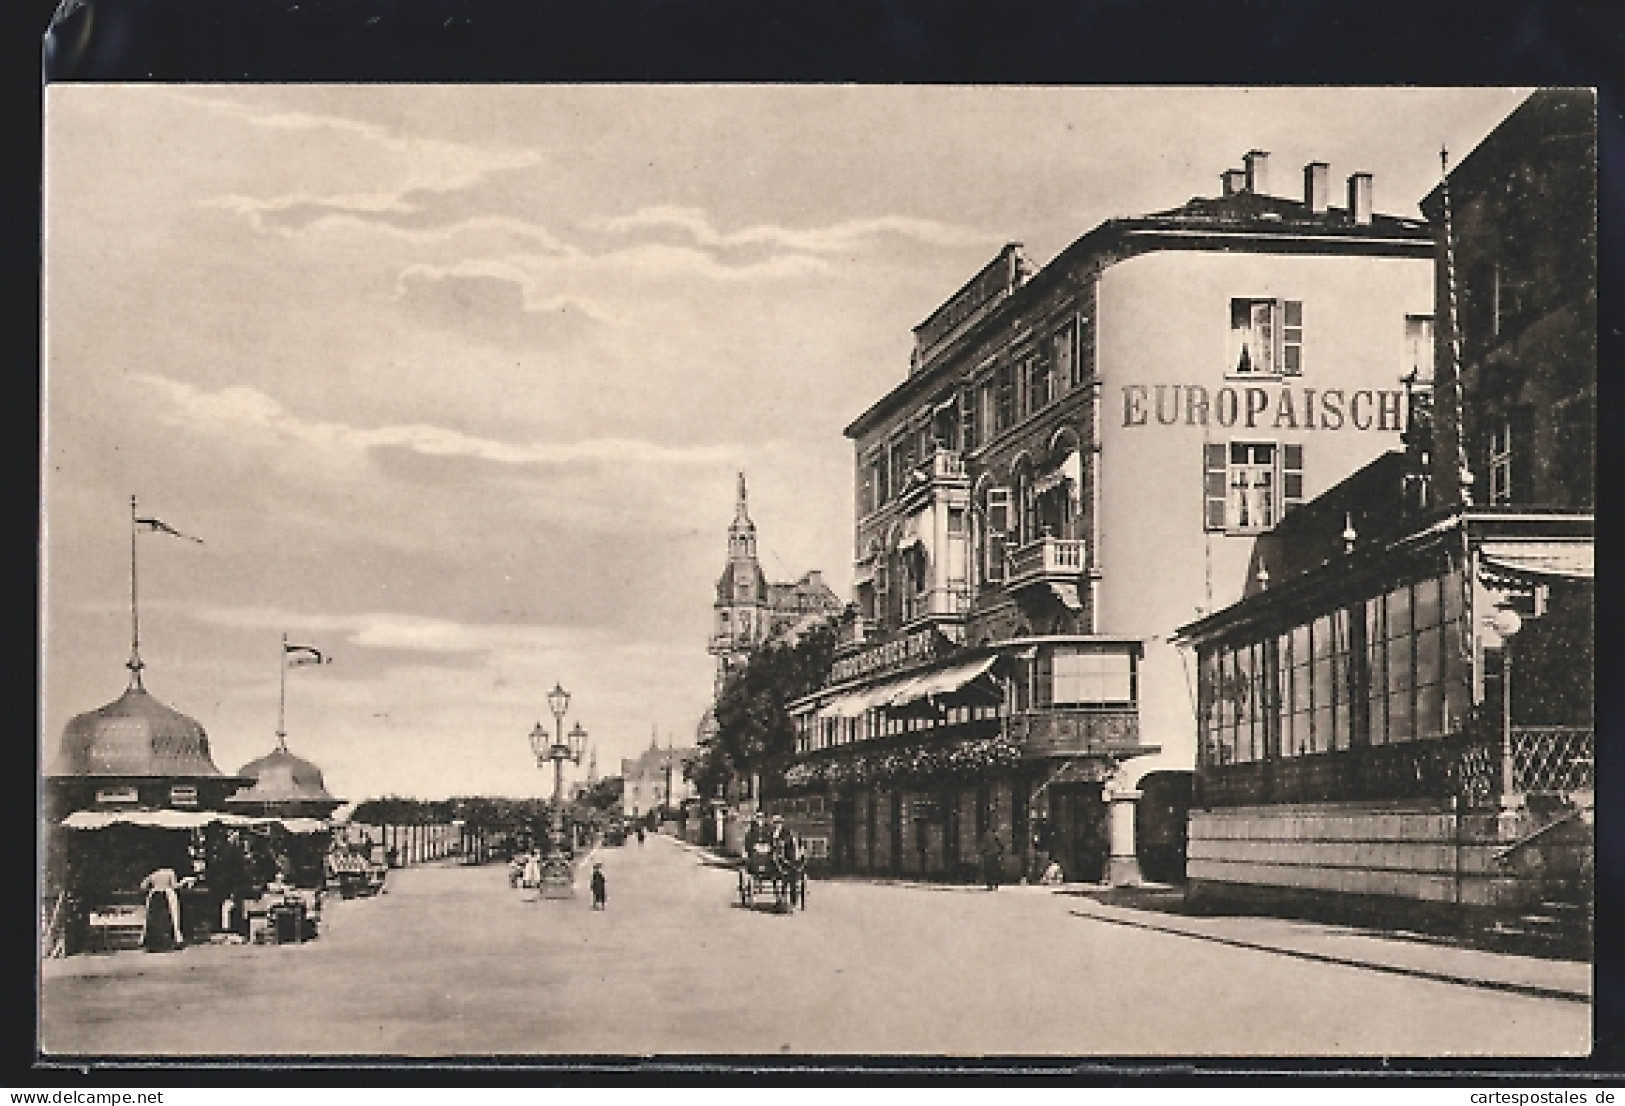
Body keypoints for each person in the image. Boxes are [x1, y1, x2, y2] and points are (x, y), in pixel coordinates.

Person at [139, 867, 185, 952]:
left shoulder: (154, 873)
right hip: (167, 894)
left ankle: (152, 942)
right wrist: (183, 882)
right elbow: (174, 885)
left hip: (155, 895)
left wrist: (153, 889)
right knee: (173, 916)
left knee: (153, 918)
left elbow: (142, 885)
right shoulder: (170, 872)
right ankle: (175, 940)